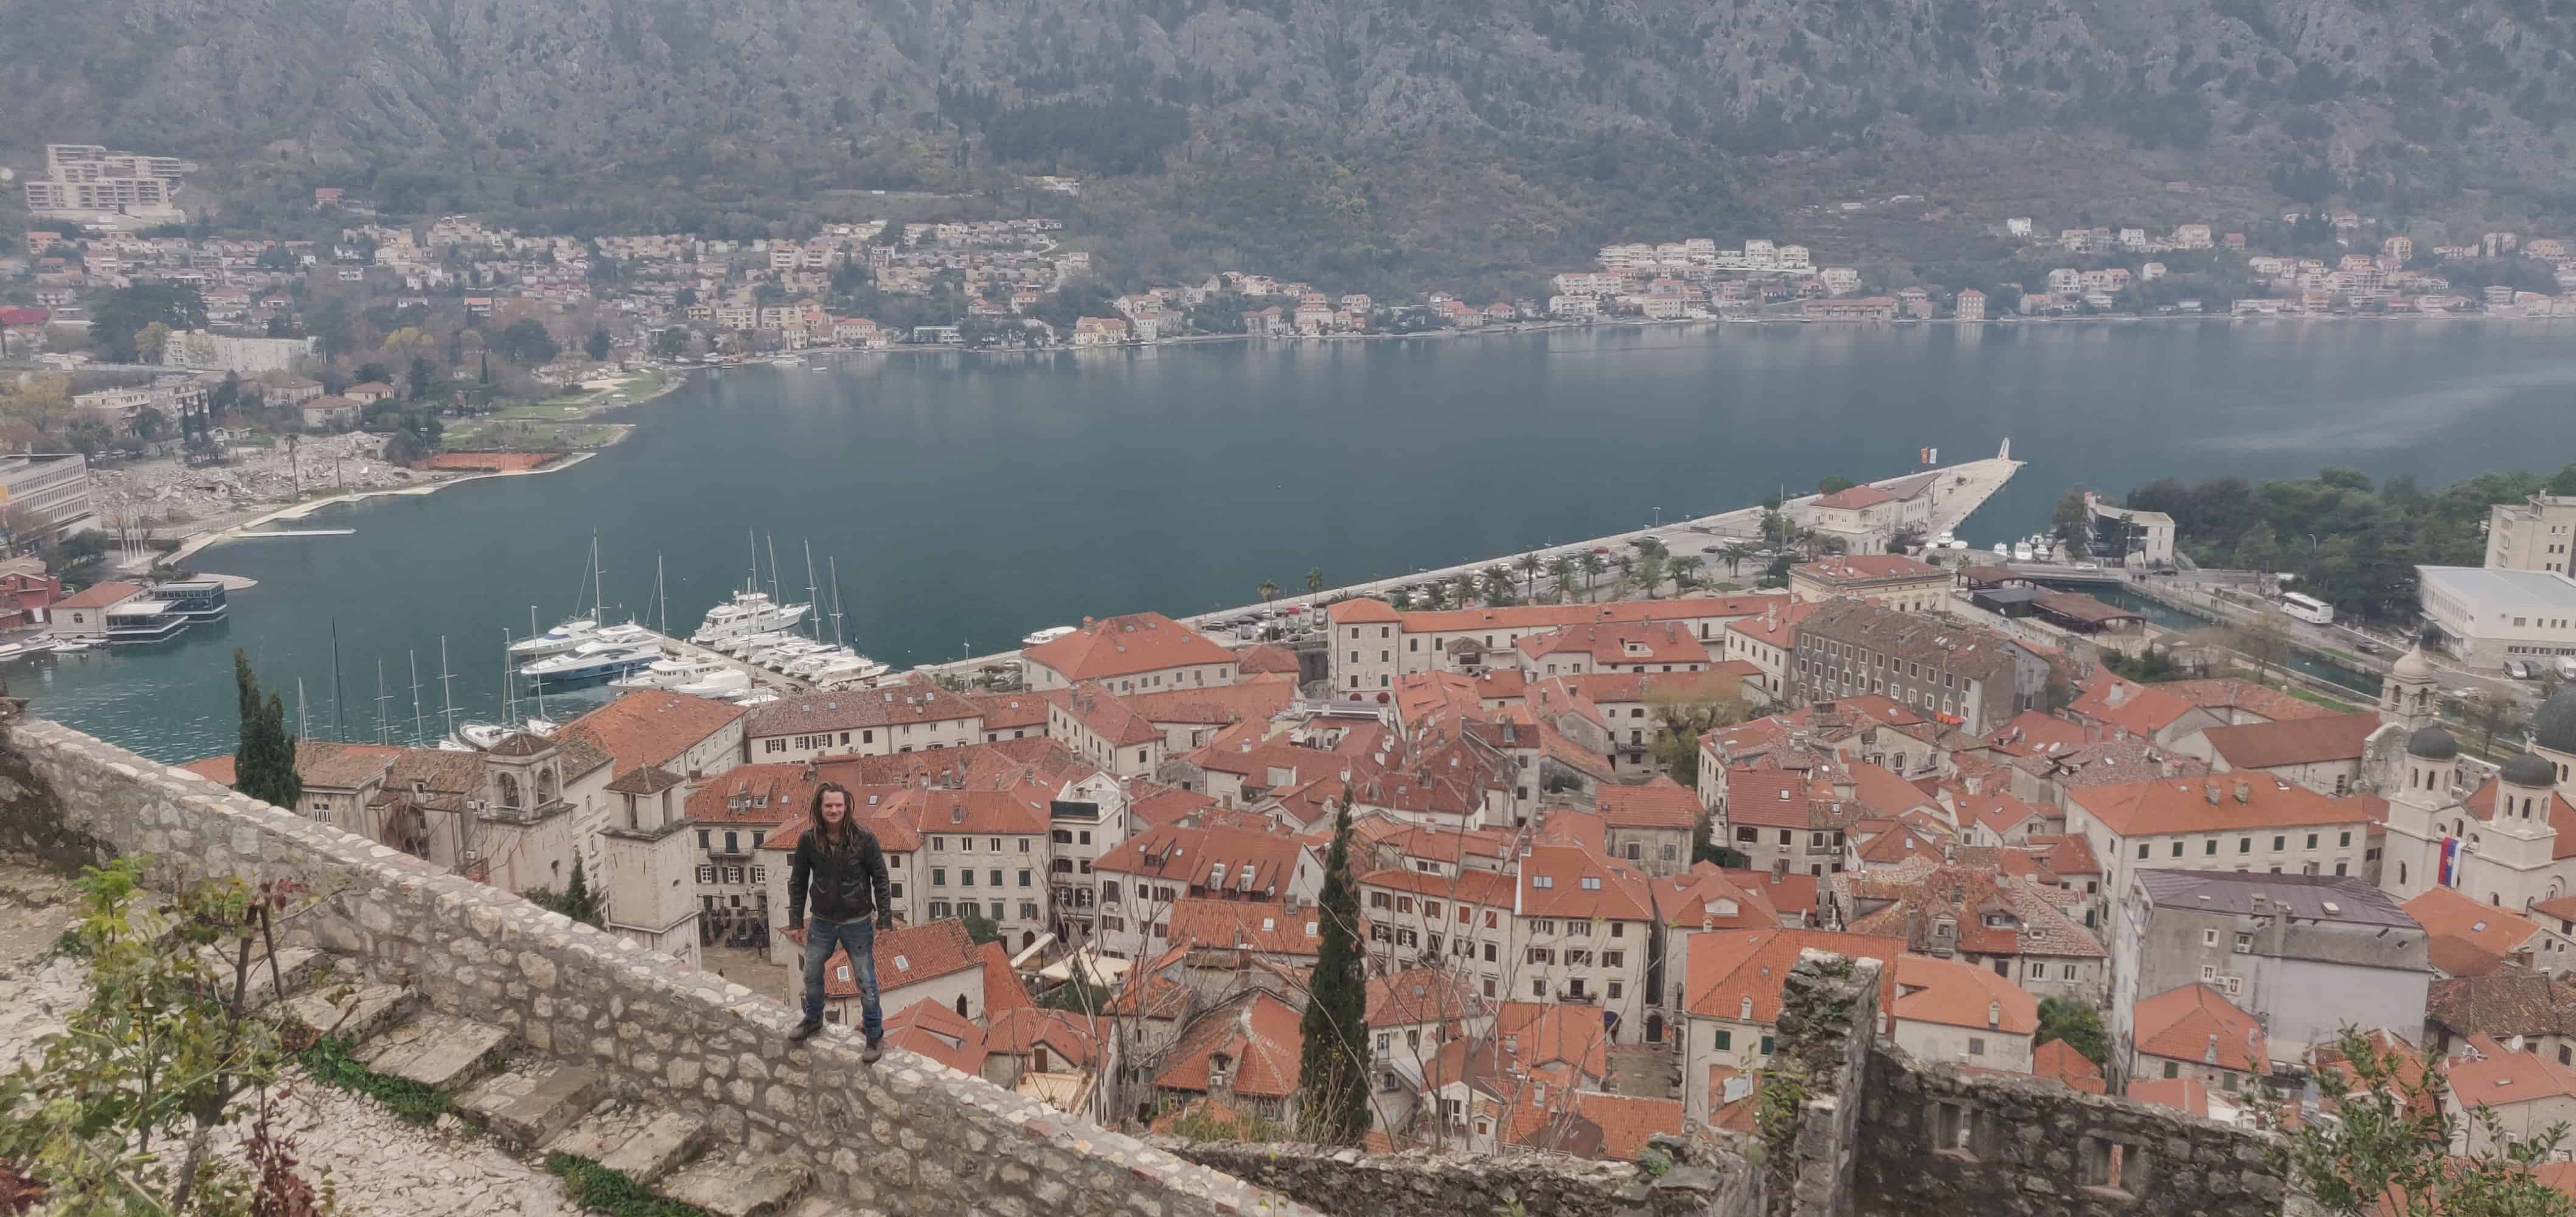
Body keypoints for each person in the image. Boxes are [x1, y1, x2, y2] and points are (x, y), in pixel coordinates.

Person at [785, 781, 892, 1057]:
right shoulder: (808, 841)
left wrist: (884, 920)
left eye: (838, 805)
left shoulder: (864, 839)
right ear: (819, 808)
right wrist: (796, 920)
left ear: (847, 807)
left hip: (857, 921)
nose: (834, 810)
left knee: (866, 981)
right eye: (828, 805)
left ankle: (874, 1034)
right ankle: (813, 1019)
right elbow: (797, 882)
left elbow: (880, 879)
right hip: (821, 920)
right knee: (811, 973)